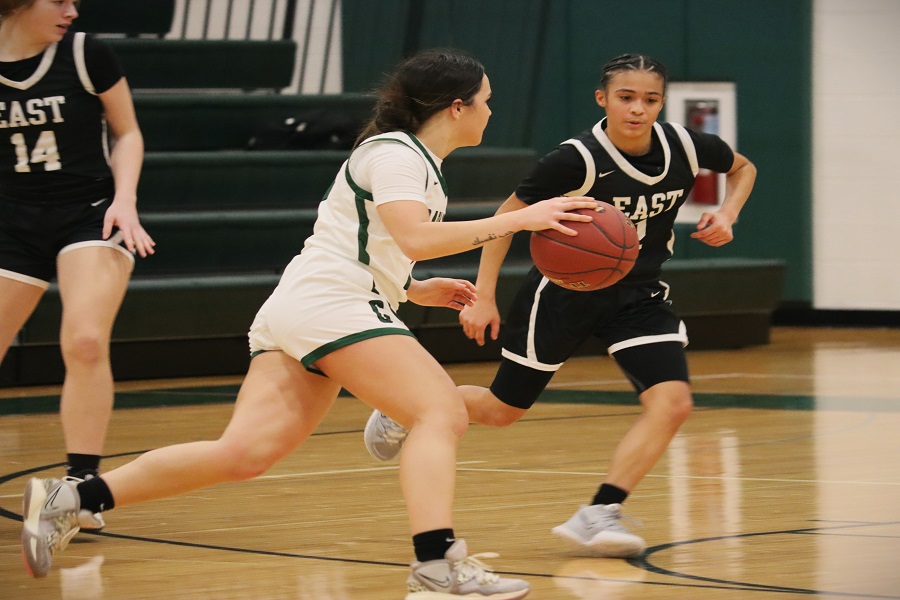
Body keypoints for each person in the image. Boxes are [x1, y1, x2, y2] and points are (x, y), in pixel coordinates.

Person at [21, 47, 599, 598]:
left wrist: (413, 287)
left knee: (243, 454)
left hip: (310, 305)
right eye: (486, 99)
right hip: (330, 305)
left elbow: (365, 244)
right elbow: (416, 237)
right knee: (439, 410)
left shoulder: (409, 159)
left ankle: (71, 498)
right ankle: (436, 563)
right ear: (457, 107)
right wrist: (524, 218)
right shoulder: (397, 155)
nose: (491, 110)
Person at [364, 53, 758, 558]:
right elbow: (504, 221)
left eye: (651, 99)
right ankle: (402, 408)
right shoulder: (576, 160)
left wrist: (728, 211)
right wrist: (484, 296)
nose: (639, 109)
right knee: (503, 411)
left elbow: (742, 167)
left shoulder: (683, 145)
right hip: (563, 296)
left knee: (673, 401)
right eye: (626, 97)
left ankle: (600, 513)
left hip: (637, 294)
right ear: (603, 99)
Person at [0, 0, 154, 532]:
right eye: (59, 0)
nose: (72, 9)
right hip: (11, 222)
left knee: (85, 340)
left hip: (90, 213)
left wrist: (126, 198)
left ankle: (81, 489)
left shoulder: (87, 54)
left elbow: (128, 132)